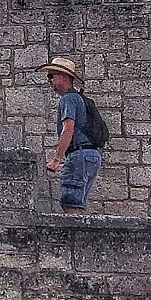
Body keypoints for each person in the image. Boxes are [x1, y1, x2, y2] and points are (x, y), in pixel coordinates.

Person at [38, 56, 101, 212]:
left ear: (64, 77)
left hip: (78, 155)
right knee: (78, 203)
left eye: (51, 75)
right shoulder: (79, 98)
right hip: (91, 156)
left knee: (70, 203)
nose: (49, 80)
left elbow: (68, 129)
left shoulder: (69, 99)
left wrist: (57, 159)